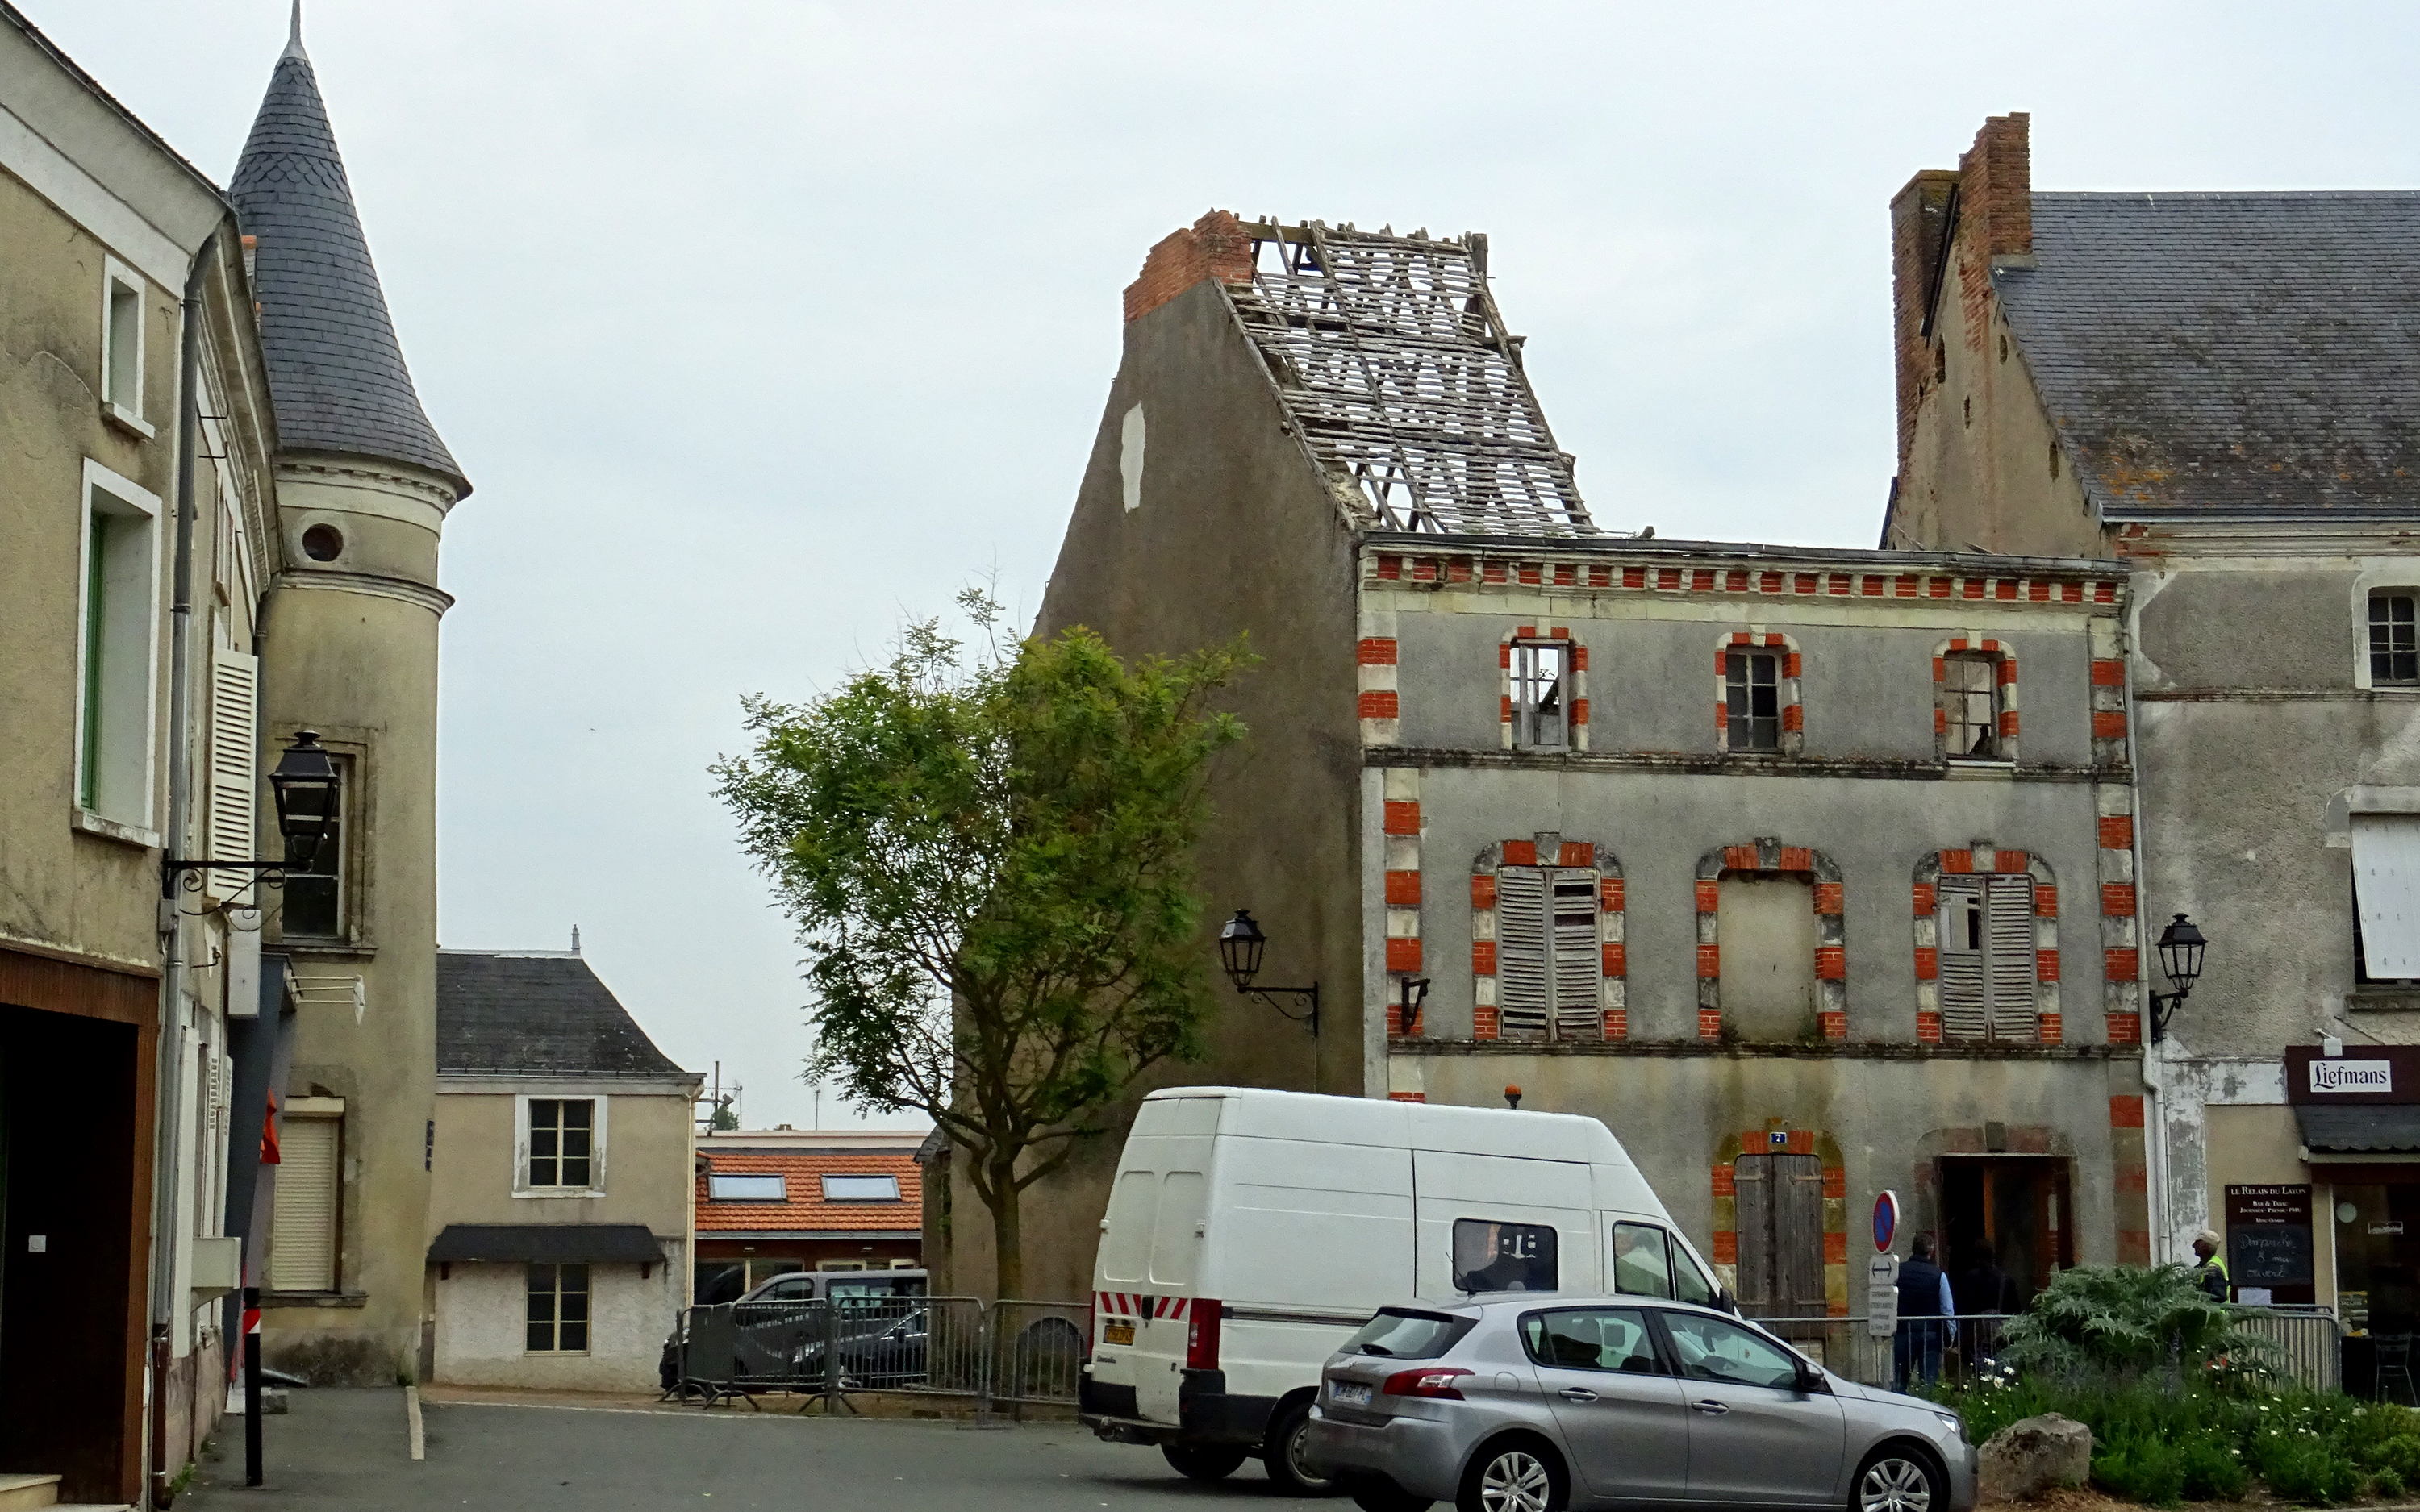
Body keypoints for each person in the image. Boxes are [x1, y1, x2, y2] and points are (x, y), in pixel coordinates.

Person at [1892, 1234, 1958, 1392]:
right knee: (1927, 1383)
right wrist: (1951, 1337)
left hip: (1902, 1332)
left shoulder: (1897, 1272)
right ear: (1931, 1252)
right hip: (1930, 1334)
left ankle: (1897, 1413)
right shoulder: (1938, 1275)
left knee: (1900, 1381)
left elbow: (1890, 1301)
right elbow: (1947, 1309)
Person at [2191, 1228, 2232, 1301]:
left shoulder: (2212, 1270)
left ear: (2205, 1246)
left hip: (2215, 1312)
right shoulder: (2207, 1264)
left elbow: (2217, 1298)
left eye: (2197, 1243)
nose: (2193, 1245)